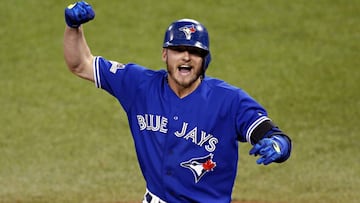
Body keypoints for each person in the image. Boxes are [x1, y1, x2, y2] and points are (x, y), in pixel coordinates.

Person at [63, 1, 292, 203]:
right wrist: (73, 27)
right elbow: (80, 64)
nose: (186, 56)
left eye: (194, 51)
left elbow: (272, 134)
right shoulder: (139, 86)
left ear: (205, 60)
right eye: (178, 49)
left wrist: (278, 145)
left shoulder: (230, 101)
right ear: (165, 54)